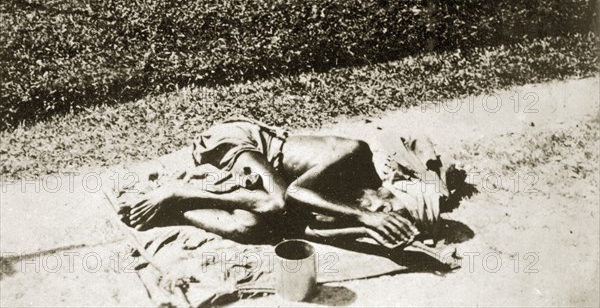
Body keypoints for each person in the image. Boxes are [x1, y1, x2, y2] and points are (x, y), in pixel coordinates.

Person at [119, 118, 450, 247]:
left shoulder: (351, 199)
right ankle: (174, 190)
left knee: (255, 227)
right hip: (239, 142)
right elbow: (292, 195)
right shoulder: (354, 154)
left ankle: (178, 209)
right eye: (386, 207)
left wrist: (366, 230)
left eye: (388, 216)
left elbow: (307, 229)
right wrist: (366, 217)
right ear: (387, 190)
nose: (378, 209)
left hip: (267, 176)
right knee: (274, 204)